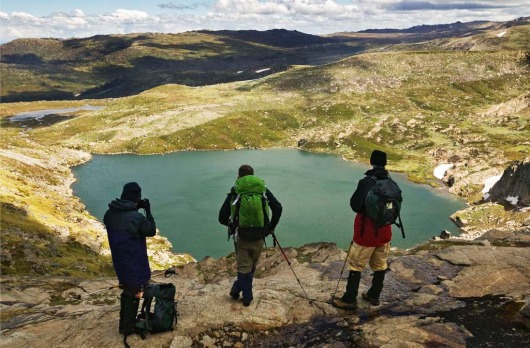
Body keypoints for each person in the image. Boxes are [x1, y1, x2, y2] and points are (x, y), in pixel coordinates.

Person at [332, 150, 392, 310]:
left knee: (355, 265)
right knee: (380, 265)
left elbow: (355, 205)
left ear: (371, 161)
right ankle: (374, 295)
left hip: (366, 233)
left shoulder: (367, 181)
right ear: (385, 163)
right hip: (385, 232)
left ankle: (349, 299)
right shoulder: (390, 181)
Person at [218, 164, 282, 307]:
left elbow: (222, 217)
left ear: (239, 176)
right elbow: (278, 208)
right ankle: (245, 295)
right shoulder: (263, 191)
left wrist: (233, 226)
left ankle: (241, 293)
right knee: (251, 266)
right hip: (260, 235)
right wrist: (270, 227)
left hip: (241, 236)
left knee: (243, 267)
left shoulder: (235, 192)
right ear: (253, 175)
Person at [103, 182, 156, 337]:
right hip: (134, 261)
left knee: (127, 289)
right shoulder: (137, 217)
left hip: (119, 261)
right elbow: (151, 230)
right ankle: (128, 327)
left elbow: (123, 221)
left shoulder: (110, 213)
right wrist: (148, 211)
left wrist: (133, 208)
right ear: (137, 198)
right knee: (135, 292)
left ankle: (123, 323)